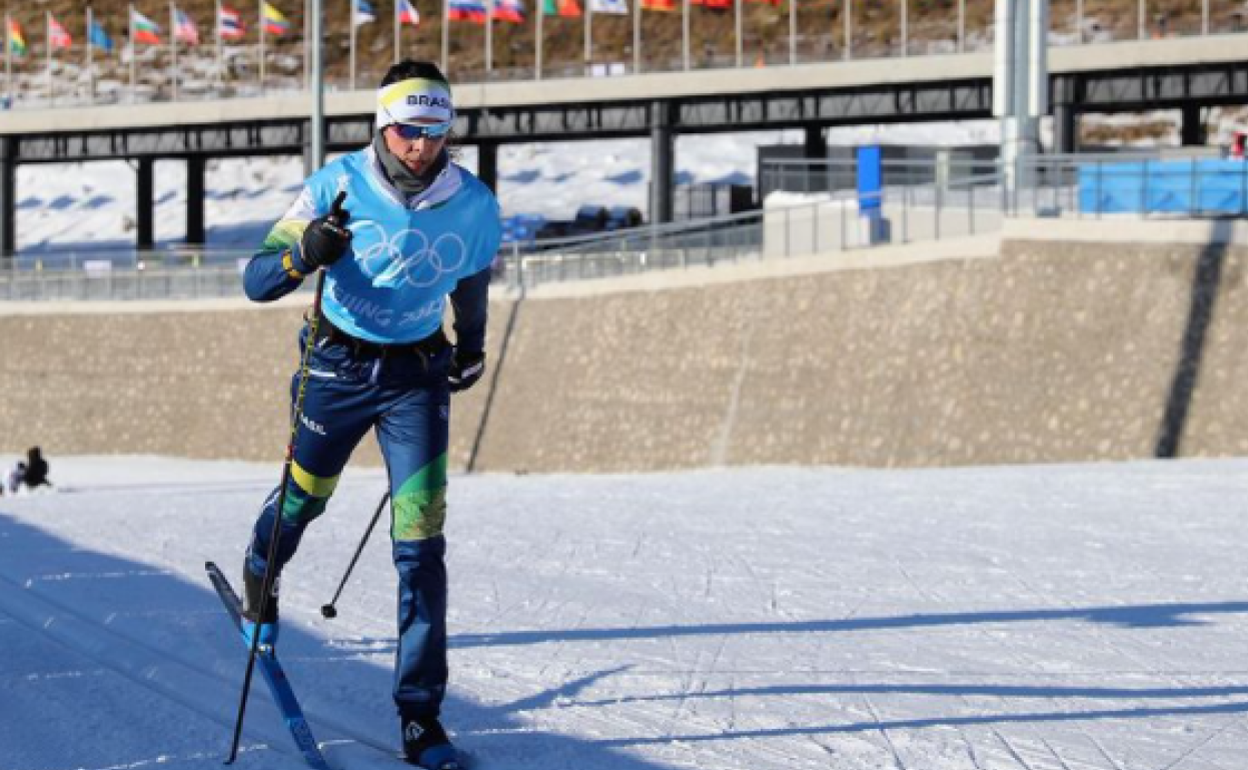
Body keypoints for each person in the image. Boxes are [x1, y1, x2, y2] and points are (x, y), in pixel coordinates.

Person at [238, 60, 499, 770]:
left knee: (420, 548)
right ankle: (262, 566)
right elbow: (256, 280)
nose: (421, 144)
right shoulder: (336, 186)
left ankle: (421, 718)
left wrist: (471, 348)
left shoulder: (473, 202)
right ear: (383, 126)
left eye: (435, 130)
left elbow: (471, 280)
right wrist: (306, 252)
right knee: (304, 501)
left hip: (415, 375)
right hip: (336, 367)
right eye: (408, 129)